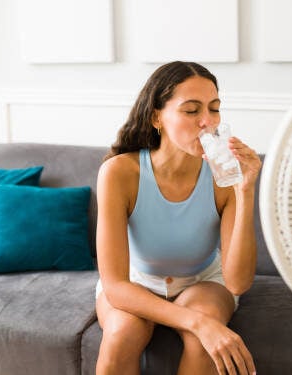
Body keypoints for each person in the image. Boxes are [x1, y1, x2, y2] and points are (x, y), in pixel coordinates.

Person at [95, 61, 261, 375]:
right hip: (135, 282)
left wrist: (245, 191)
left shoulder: (223, 176)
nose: (207, 122)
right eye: (191, 110)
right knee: (120, 335)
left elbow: (238, 282)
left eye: (214, 109)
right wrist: (199, 322)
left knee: (202, 344)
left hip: (203, 282)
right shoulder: (119, 173)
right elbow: (115, 286)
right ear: (156, 116)